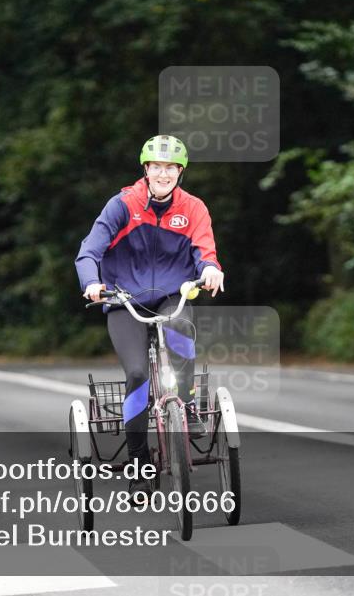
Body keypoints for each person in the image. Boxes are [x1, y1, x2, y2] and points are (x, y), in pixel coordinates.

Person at [75, 134, 225, 498]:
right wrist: (92, 282)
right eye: (156, 166)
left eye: (171, 167)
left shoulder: (193, 208)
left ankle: (188, 403)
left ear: (180, 172)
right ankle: (140, 464)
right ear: (145, 169)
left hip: (173, 294)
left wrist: (210, 269)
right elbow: (89, 251)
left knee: (179, 329)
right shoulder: (123, 205)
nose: (163, 174)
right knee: (138, 375)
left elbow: (205, 250)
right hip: (124, 298)